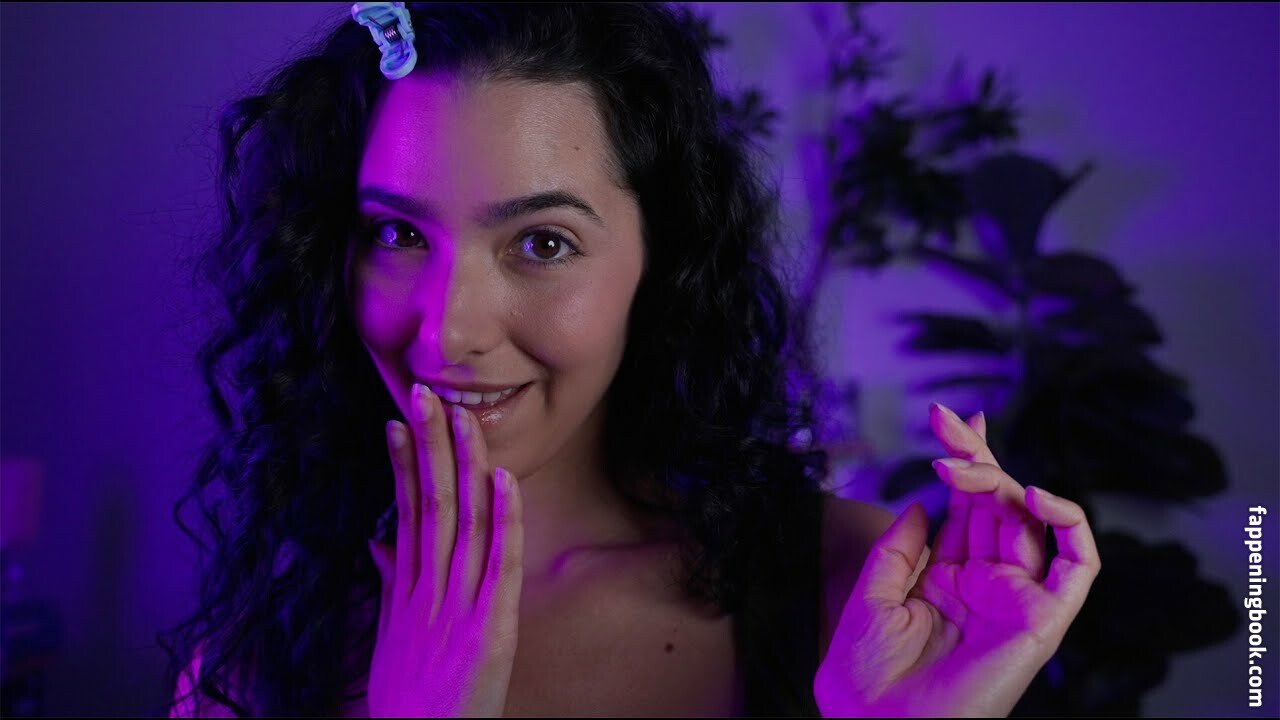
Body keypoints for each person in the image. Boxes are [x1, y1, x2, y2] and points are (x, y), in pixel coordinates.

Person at [163, 3, 1100, 717]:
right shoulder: (254, 664)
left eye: (542, 244)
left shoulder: (861, 593)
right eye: (399, 234)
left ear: (661, 262)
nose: (446, 334)